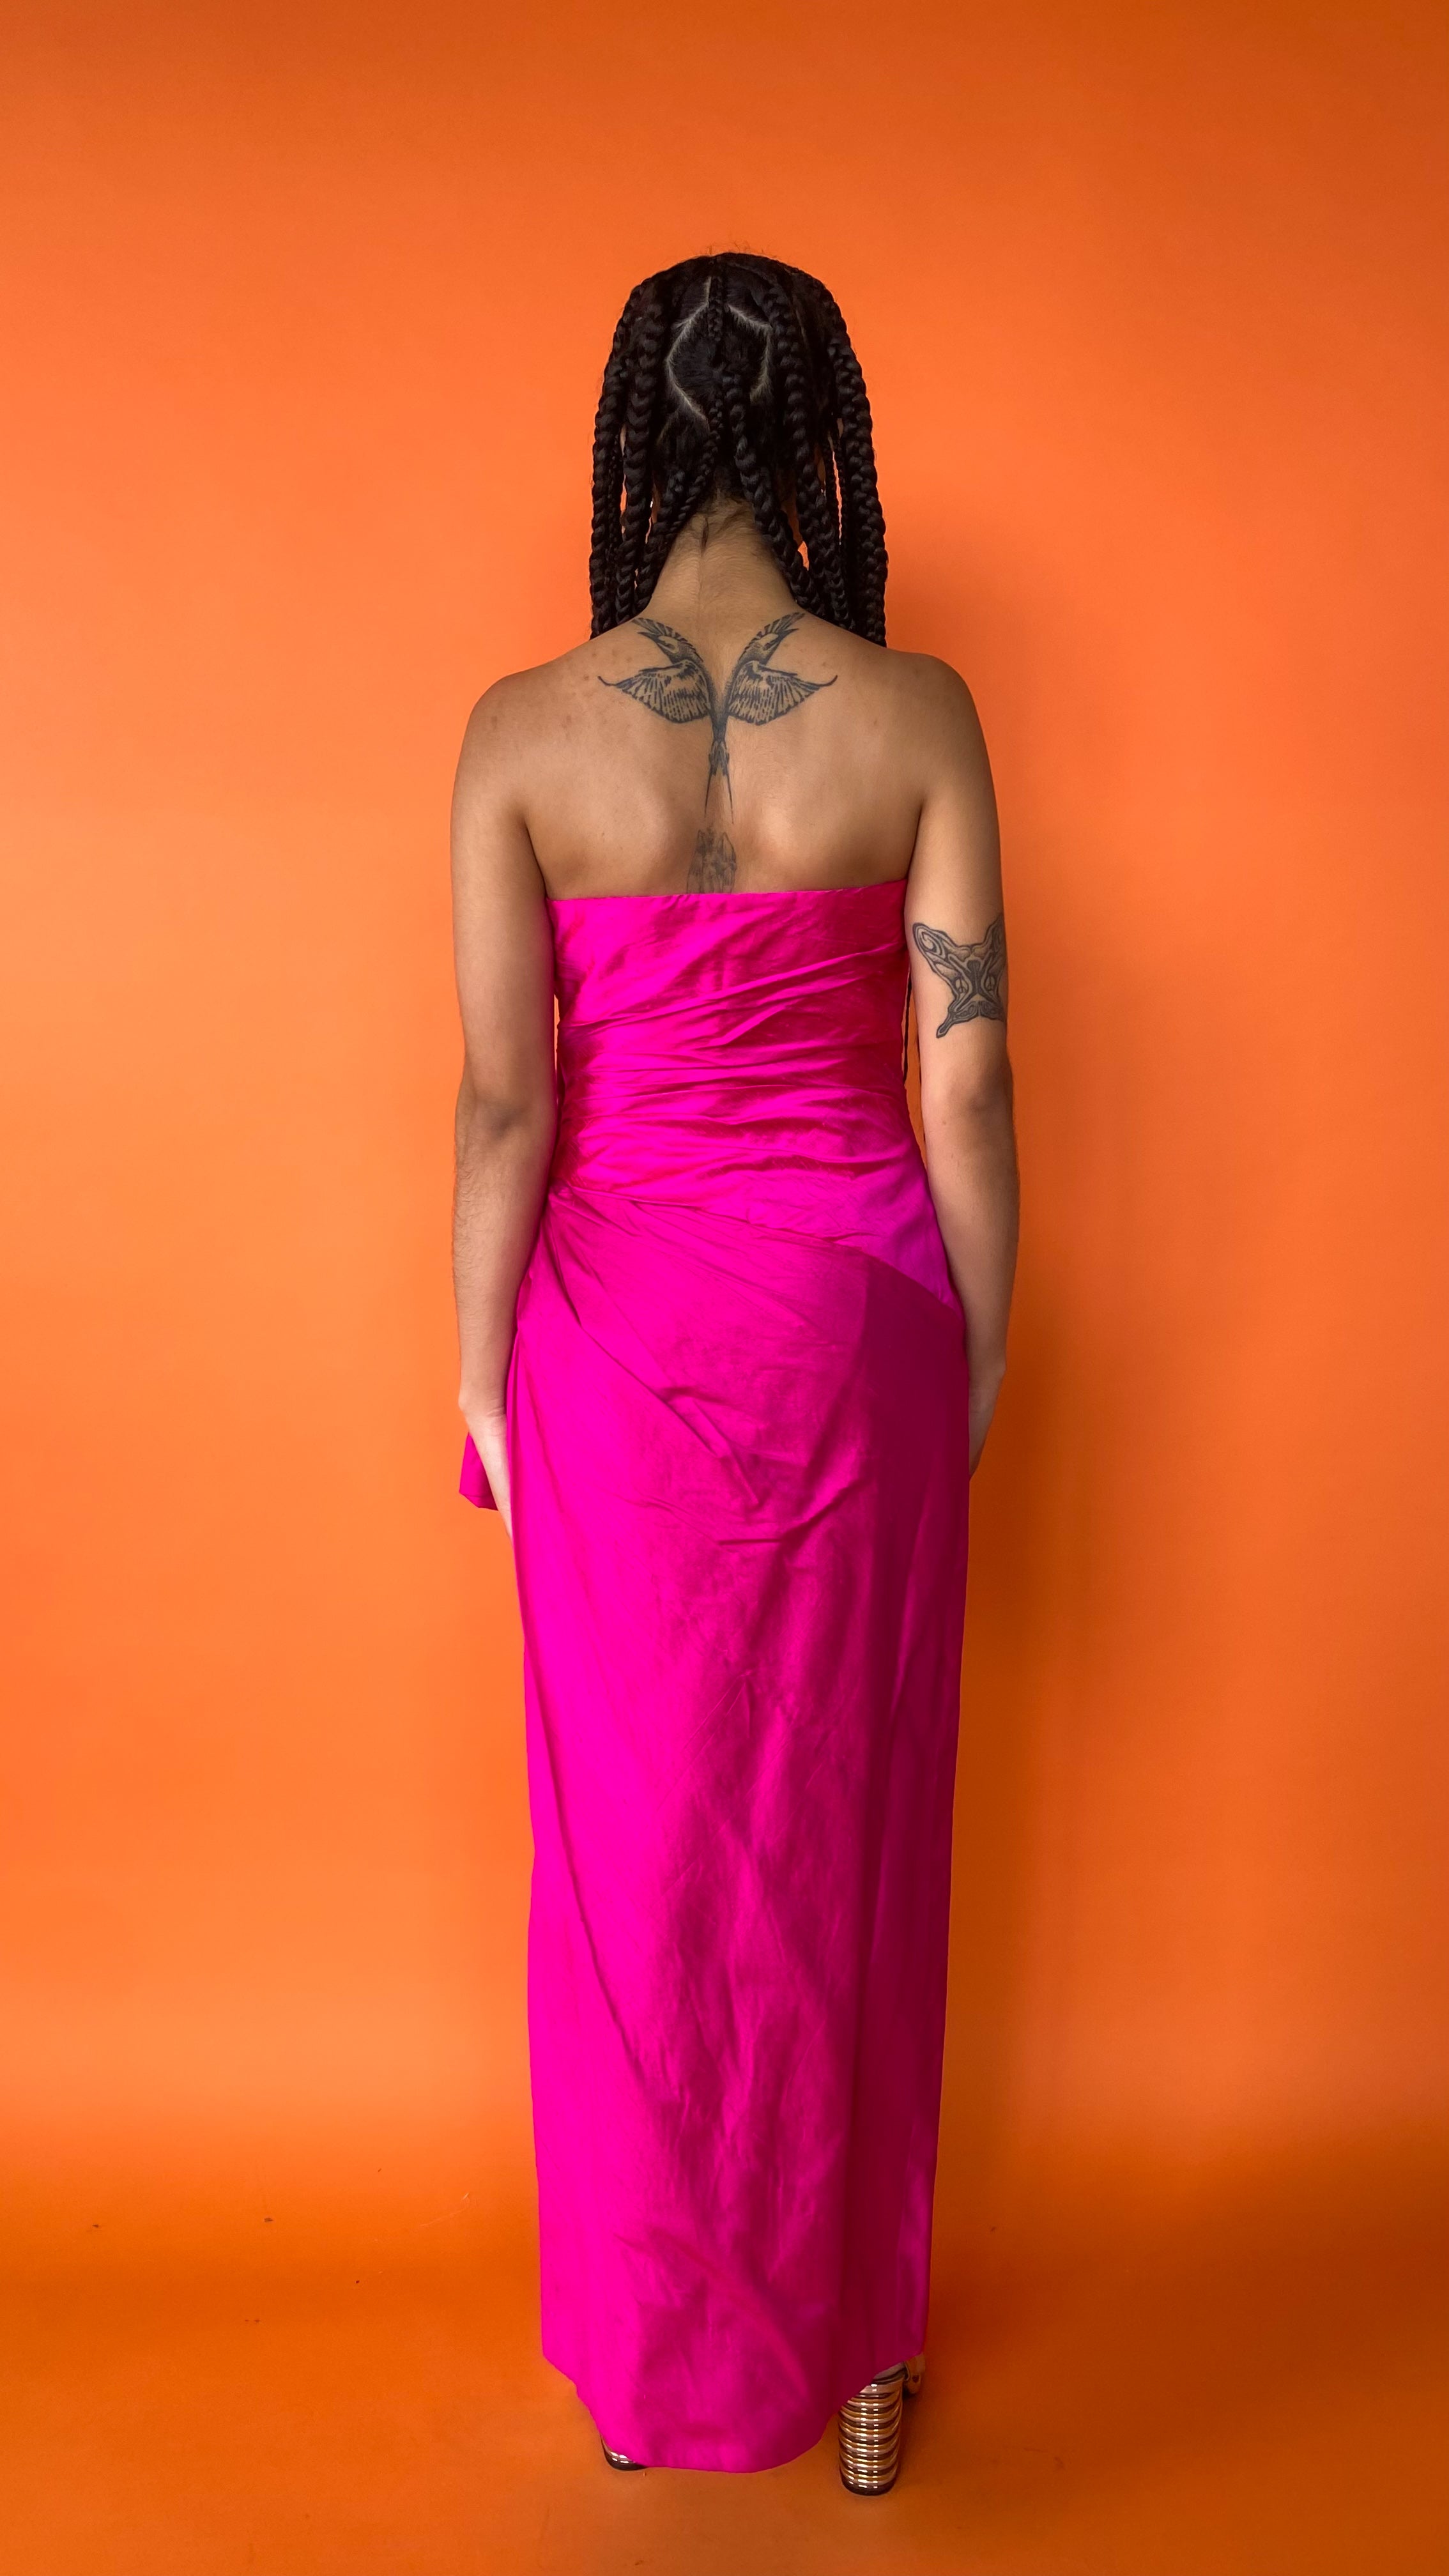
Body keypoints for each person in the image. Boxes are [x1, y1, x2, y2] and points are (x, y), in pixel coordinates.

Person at [450, 251, 1018, 2492]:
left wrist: (478, 1384)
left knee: (634, 1855)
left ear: (628, 439)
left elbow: (506, 1106)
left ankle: (648, 2363)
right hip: (860, 1322)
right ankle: (860, 2358)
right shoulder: (916, 713)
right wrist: (976, 1355)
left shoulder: (521, 729)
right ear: (820, 445)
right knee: (849, 1834)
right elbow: (963, 1084)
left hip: (603, 1340)